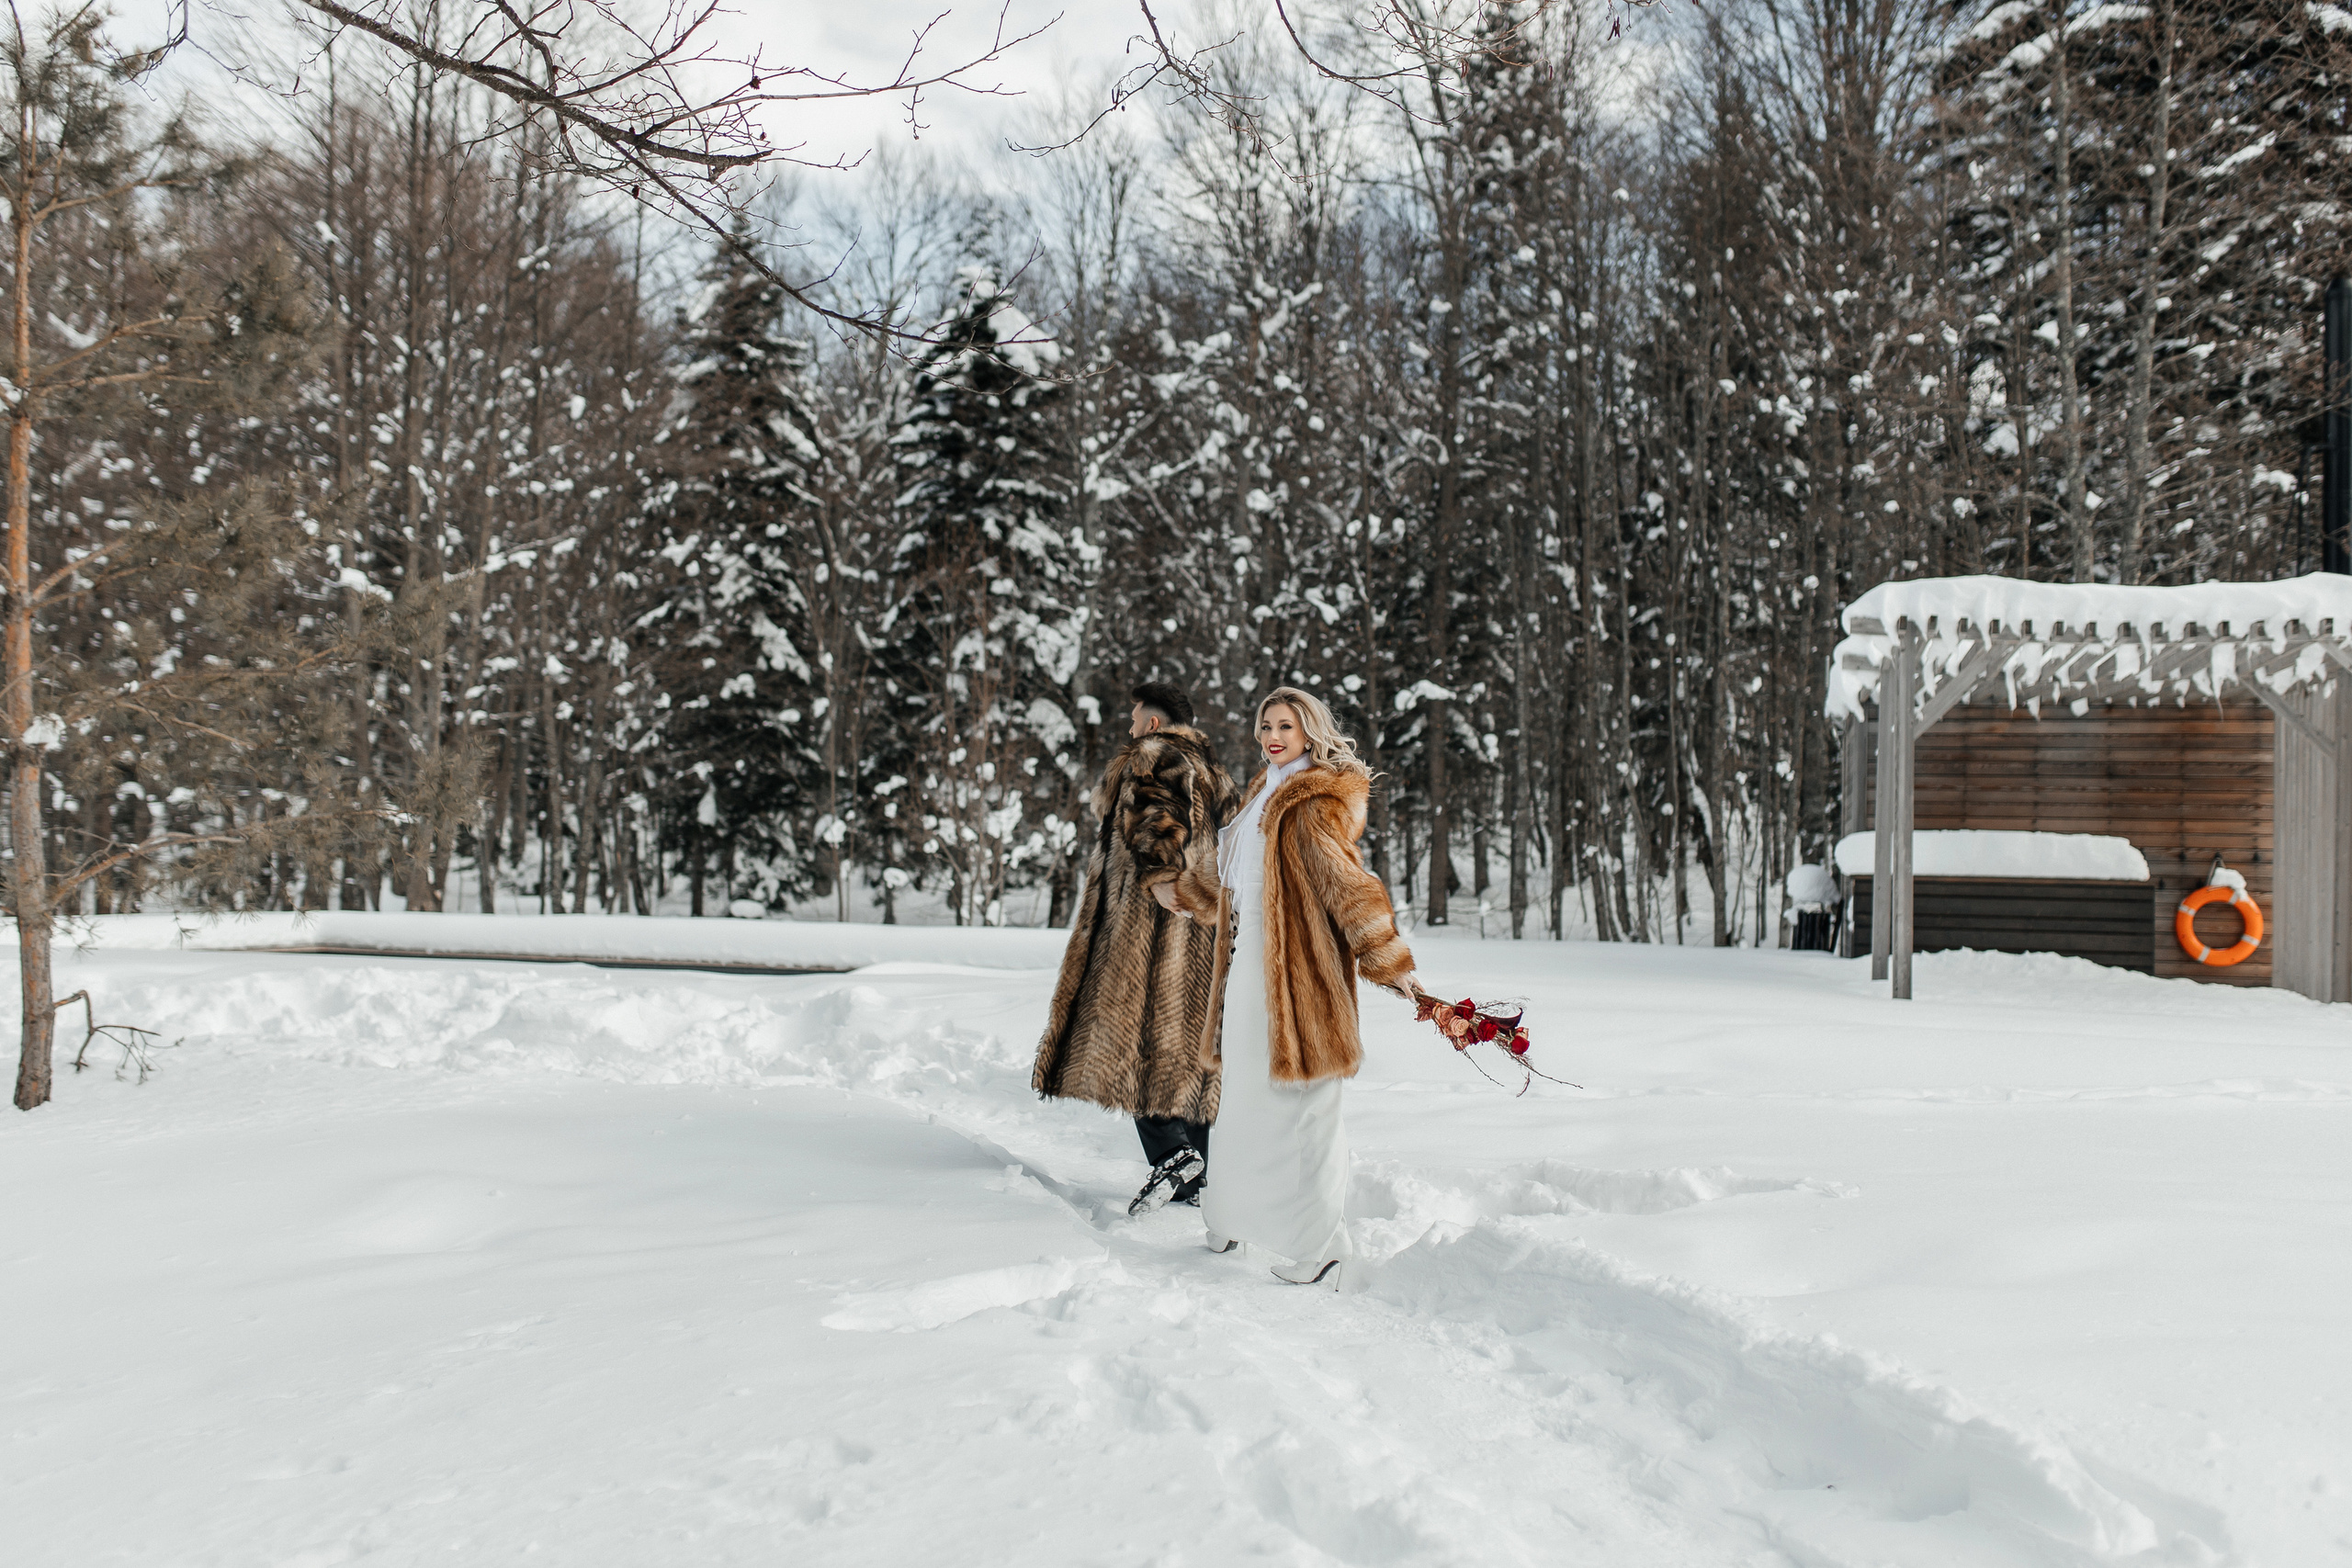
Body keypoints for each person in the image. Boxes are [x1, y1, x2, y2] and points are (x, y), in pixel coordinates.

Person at [1203, 686, 1419, 1287]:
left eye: (1286, 726)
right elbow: (1234, 885)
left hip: (1300, 975)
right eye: (1265, 725)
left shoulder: (1310, 801)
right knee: (1245, 1098)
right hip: (1250, 966)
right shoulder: (1258, 797)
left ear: (1309, 732)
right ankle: (1231, 1215)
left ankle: (1322, 1246)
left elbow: (1351, 887)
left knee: (1305, 1109)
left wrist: (1388, 958)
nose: (1273, 736)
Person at [1032, 681, 1241, 1214]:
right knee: (1188, 1055)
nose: (1129, 728)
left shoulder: (1152, 753)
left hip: (1145, 929)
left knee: (1130, 1042)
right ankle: (1198, 1180)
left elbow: (1152, 819)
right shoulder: (1215, 773)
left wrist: (1162, 872)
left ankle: (1172, 1155)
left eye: (1133, 719)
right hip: (1199, 933)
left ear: (1153, 722)